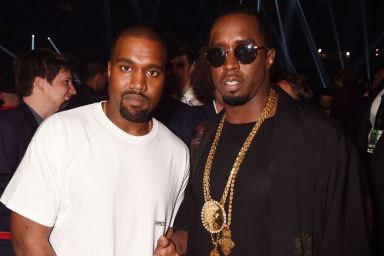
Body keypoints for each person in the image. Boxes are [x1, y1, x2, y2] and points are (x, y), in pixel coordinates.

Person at [154, 5, 370, 256]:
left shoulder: (319, 137)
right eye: (218, 54)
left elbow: (346, 237)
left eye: (244, 51)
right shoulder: (203, 135)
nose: (230, 64)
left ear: (269, 58)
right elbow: (193, 218)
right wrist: (176, 246)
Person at [1, 26, 189, 255]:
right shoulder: (62, 132)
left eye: (152, 72)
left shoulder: (177, 153)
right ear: (110, 70)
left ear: (165, 79)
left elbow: (167, 233)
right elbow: (27, 238)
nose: (139, 83)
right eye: (127, 67)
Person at [0, 48, 76, 255]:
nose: (73, 90)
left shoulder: (58, 129)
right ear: (40, 83)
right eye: (66, 82)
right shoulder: (7, 126)